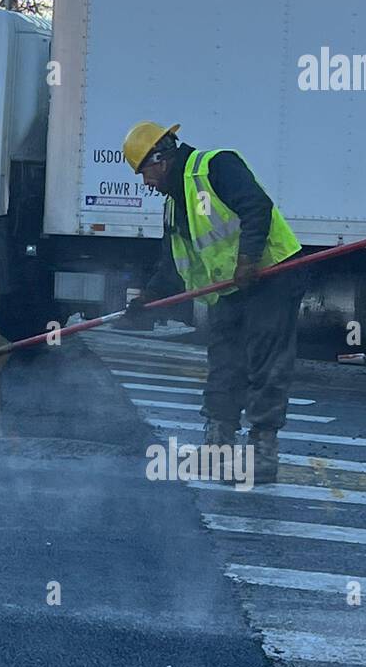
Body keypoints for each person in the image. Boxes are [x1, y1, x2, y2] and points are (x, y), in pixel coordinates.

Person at [120, 121, 304, 484]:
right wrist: (150, 298)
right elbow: (172, 263)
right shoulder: (175, 206)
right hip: (230, 290)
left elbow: (256, 207)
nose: (146, 183)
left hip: (271, 276)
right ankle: (218, 449)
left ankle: (262, 453)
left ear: (162, 158)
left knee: (265, 361)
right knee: (224, 364)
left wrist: (249, 259)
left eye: (145, 172)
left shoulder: (216, 166)